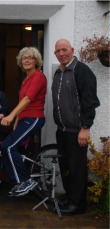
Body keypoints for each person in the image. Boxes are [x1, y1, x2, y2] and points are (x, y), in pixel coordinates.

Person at [52, 39, 100, 215]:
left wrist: (85, 128)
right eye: (58, 51)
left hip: (77, 131)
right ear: (55, 54)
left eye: (64, 49)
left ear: (72, 50)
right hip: (62, 130)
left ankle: (77, 205)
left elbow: (90, 102)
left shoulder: (82, 71)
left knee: (77, 169)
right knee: (66, 167)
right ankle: (69, 197)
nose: (62, 53)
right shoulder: (59, 72)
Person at [0, 47, 47, 197]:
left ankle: (25, 181)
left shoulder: (38, 77)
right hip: (24, 119)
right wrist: (17, 120)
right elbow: (22, 101)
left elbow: (27, 100)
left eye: (30, 58)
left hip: (34, 118)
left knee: (8, 146)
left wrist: (11, 116)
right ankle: (21, 179)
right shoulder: (26, 79)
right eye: (24, 58)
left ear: (36, 61)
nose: (26, 60)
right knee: (10, 148)